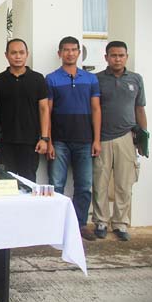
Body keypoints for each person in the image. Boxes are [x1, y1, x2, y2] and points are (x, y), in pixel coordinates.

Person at [46, 36, 101, 241]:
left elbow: (96, 109)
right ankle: (57, 225)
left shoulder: (90, 79)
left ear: (79, 53)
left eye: (74, 50)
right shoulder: (51, 79)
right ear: (59, 53)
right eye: (66, 50)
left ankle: (80, 224)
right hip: (59, 140)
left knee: (84, 185)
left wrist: (96, 140)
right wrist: (49, 140)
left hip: (85, 140)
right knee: (57, 185)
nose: (70, 53)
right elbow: (47, 113)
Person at [92, 41, 147, 241]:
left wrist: (143, 137)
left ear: (126, 57)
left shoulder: (135, 79)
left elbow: (140, 109)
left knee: (125, 183)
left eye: (121, 55)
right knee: (100, 181)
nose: (117, 58)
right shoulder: (96, 79)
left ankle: (121, 223)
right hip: (102, 138)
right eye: (113, 55)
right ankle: (100, 221)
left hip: (127, 137)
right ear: (106, 57)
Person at [0, 38, 50, 182]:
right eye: (13, 53)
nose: (18, 56)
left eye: (21, 53)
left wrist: (44, 138)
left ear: (27, 54)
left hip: (30, 143)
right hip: (4, 143)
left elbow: (44, 109)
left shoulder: (37, 79)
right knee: (5, 184)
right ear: (6, 55)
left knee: (28, 183)